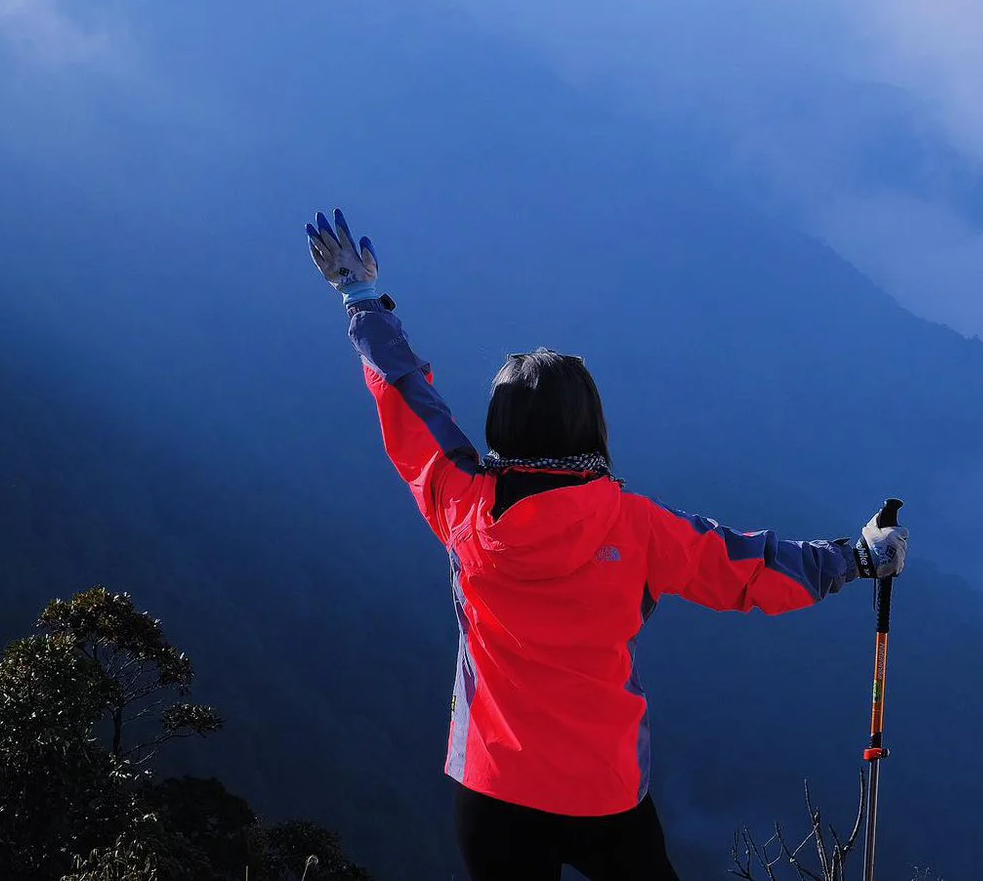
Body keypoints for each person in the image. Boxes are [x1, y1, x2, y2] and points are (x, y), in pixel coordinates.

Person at [305, 210, 909, 881]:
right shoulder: (634, 526)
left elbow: (408, 400)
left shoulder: (461, 506)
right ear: (589, 423)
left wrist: (359, 299)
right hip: (602, 789)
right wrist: (856, 559)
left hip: (492, 784)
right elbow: (749, 570)